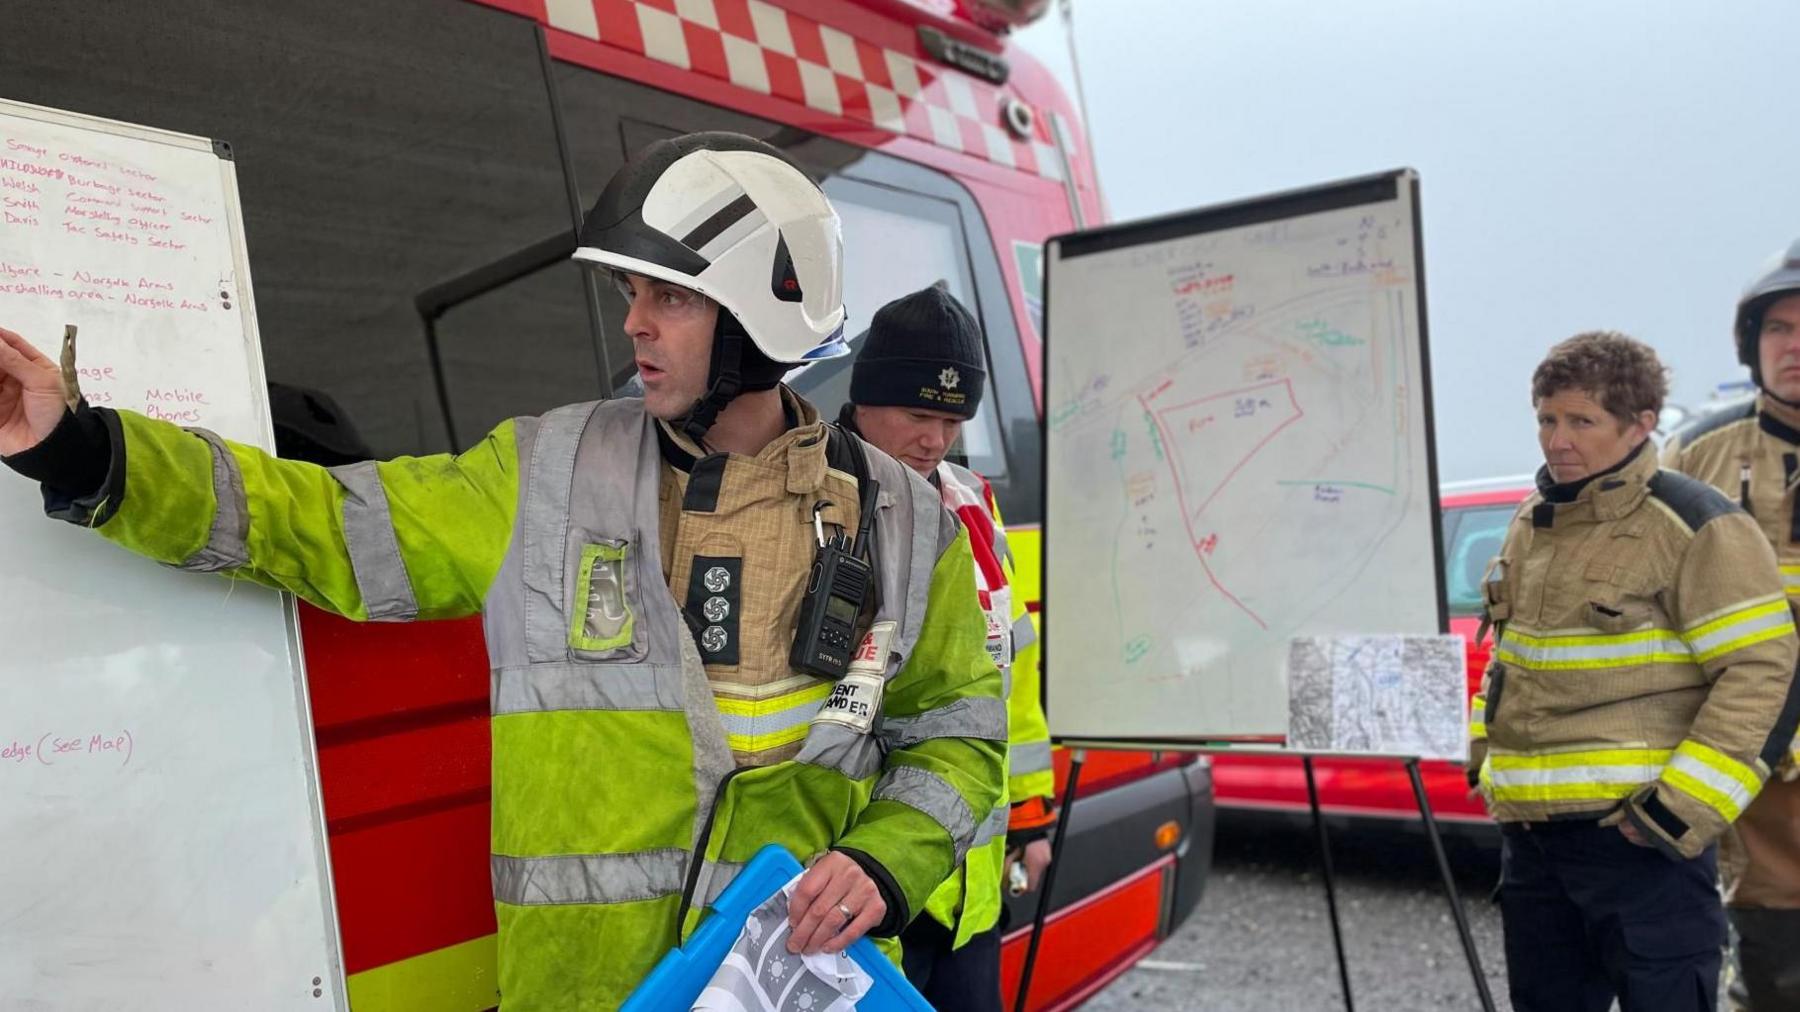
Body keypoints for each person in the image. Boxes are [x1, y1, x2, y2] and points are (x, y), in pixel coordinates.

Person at [0, 132, 1006, 1010]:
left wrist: (884, 861)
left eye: (670, 296)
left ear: (764, 309)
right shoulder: (546, 473)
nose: (635, 324)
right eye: (629, 293)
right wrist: (87, 451)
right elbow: (320, 523)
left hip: (787, 986)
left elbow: (958, 734)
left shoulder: (908, 519)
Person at [1466, 331, 1799, 1012]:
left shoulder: (1696, 526)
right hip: (1533, 846)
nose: (1557, 440)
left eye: (1581, 421)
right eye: (1547, 419)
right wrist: (1483, 760)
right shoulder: (1534, 521)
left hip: (1641, 849)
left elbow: (1763, 672)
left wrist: (1676, 812)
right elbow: (1508, 658)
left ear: (1641, 424)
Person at [837, 283, 1056, 1010]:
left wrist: (1029, 817)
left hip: (969, 894)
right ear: (865, 398)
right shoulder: (812, 498)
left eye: (954, 420)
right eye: (919, 414)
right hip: (858, 886)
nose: (936, 440)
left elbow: (1009, 674)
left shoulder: (974, 504)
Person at [1661, 238, 1800, 1011]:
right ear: (1751, 345)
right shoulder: (1698, 455)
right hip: (1755, 771)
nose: (1795, 346)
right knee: (1774, 974)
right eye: (1778, 328)